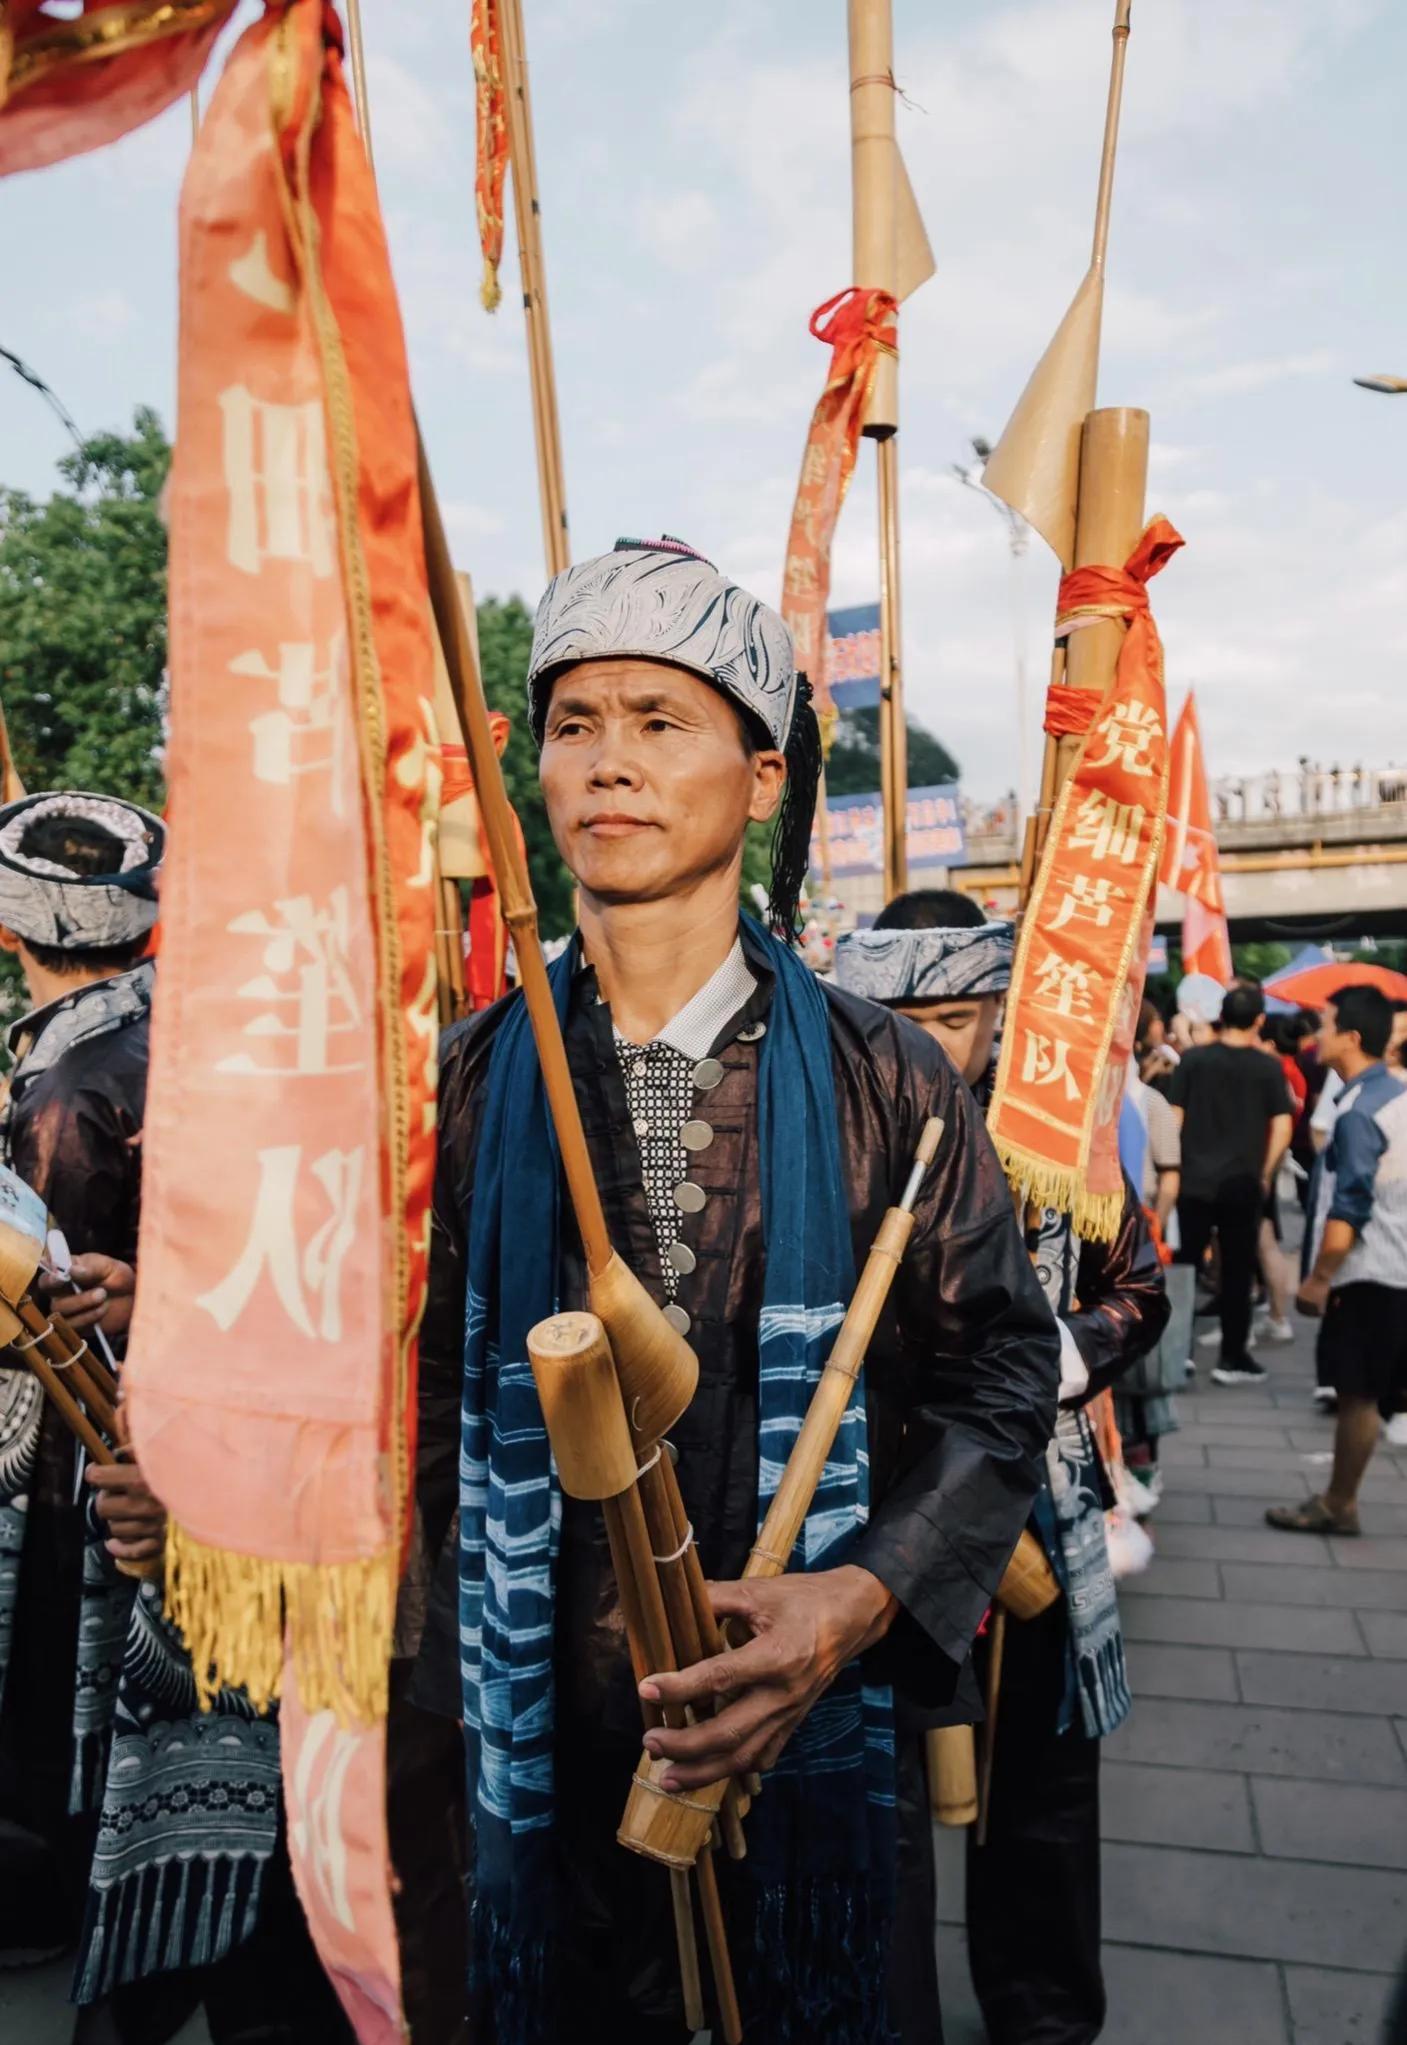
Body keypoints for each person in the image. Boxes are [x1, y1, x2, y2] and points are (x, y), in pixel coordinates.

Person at [406, 538, 1061, 2044]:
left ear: (764, 778)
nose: (609, 761)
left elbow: (1000, 1374)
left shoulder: (884, 1076)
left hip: (811, 1724)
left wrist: (856, 1594)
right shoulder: (466, 1079)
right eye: (574, 723)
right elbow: (401, 1389)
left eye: (661, 720)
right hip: (531, 1745)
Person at [0, 792, 349, 2045]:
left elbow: (39, 1292)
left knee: (98, 1715)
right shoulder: (189, 1045)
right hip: (208, 1448)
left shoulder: (72, 1090)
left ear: (13, 928)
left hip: (112, 1461)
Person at [835, 900, 1169, 2045]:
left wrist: (1034, 1367)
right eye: (897, 1013)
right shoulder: (834, 1127)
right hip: (877, 1511)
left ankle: (1044, 2012)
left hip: (1037, 1504)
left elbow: (1138, 1288)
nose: (925, 1039)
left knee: (1040, 1787)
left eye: (952, 1015)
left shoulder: (1057, 1138)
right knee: (875, 1802)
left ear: (997, 1013)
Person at [1268, 986, 1407, 1535]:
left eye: (1325, 1026)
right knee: (1367, 1392)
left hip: (1367, 1271)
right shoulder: (1392, 1095)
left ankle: (1338, 1503)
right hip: (1393, 1267)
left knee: (1358, 1395)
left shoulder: (1358, 1112)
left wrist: (1321, 1276)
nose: (1315, 1037)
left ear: (1351, 1037)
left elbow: (1351, 1202)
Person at [1167, 982, 1294, 1386]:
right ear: (1259, 1020)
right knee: (1239, 1270)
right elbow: (1283, 1127)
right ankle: (1232, 1357)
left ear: (1220, 1016)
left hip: (1193, 1180)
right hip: (1242, 1183)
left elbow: (1174, 1118)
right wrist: (1265, 1172)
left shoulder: (1193, 1061)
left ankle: (1178, 1352)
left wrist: (1172, 1168)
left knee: (1186, 1266)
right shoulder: (1267, 1067)